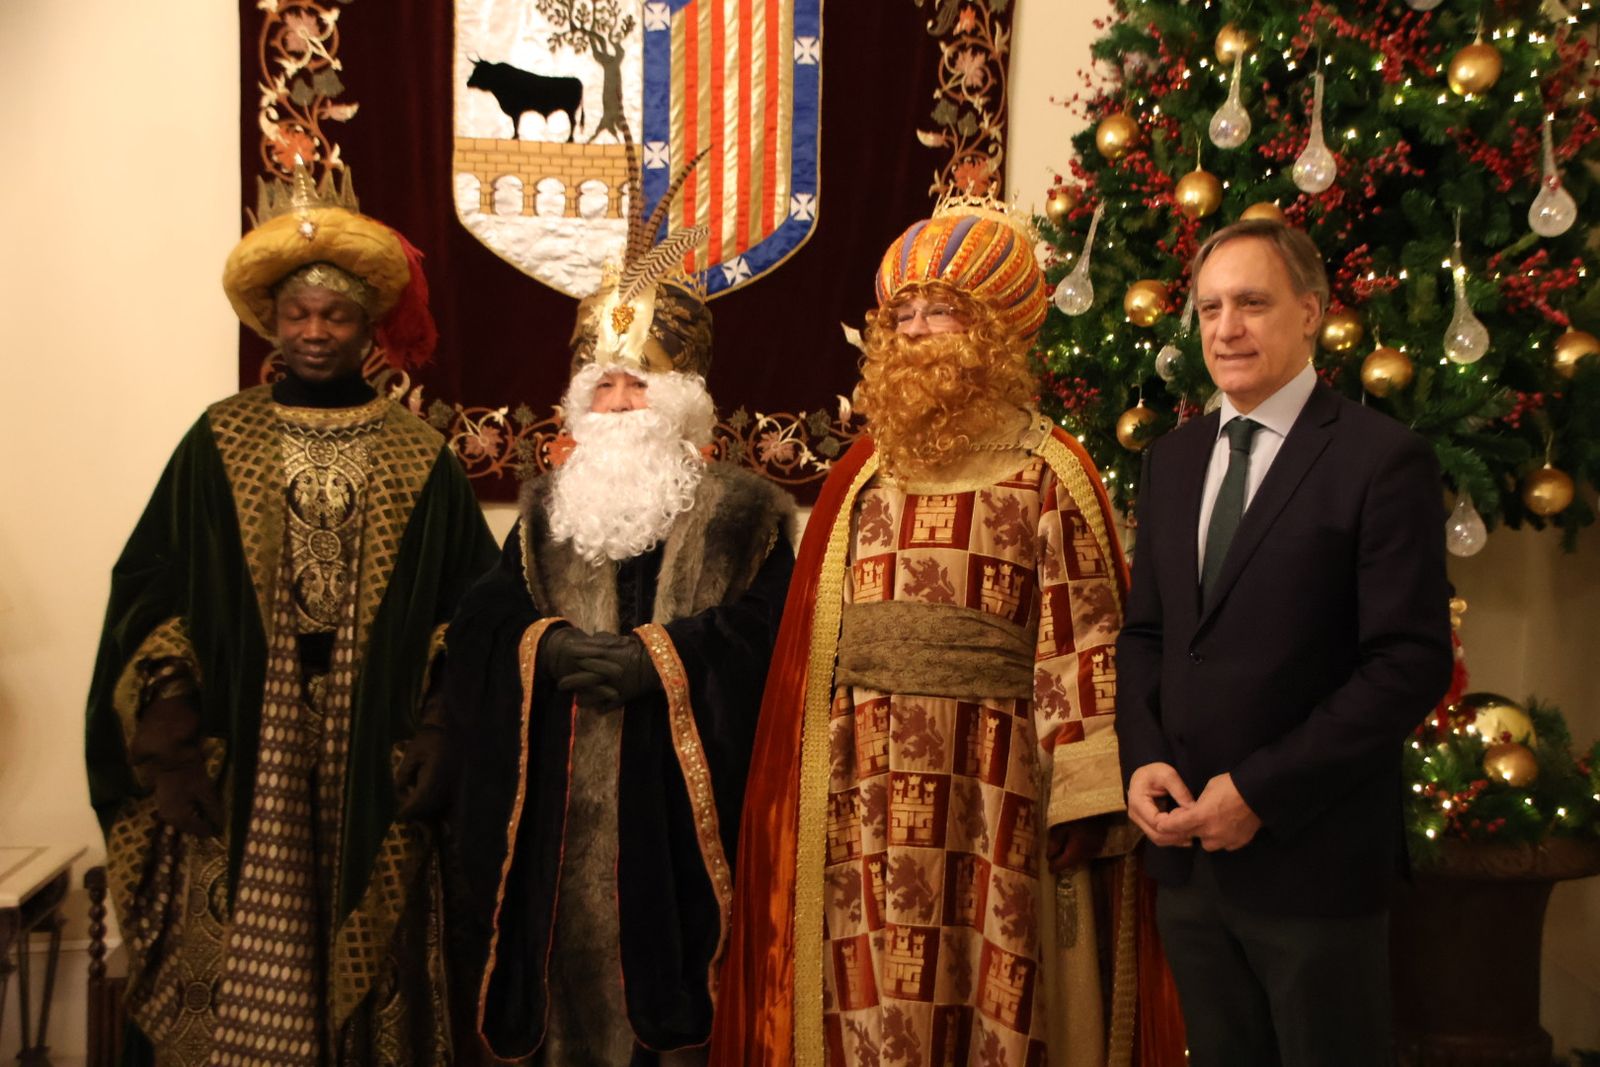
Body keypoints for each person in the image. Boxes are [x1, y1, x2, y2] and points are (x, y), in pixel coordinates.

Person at [711, 197, 1181, 1067]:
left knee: (986, 978)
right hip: (865, 774)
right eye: (905, 314)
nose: (921, 330)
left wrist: (1082, 789)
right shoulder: (863, 475)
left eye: (944, 310)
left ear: (994, 328)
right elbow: (817, 649)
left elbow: (1082, 636)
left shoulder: (1049, 467)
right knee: (863, 979)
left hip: (993, 778)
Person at [84, 164, 499, 1064]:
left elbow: (473, 613)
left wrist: (443, 729)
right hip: (247, 754)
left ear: (368, 329)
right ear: (272, 321)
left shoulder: (418, 454)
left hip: (369, 759)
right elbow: (151, 586)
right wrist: (168, 736)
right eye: (299, 314)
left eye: (336, 315)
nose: (315, 332)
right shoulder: (217, 438)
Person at [445, 198, 797, 1065]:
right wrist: (546, 647)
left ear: (681, 402)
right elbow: (487, 623)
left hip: (676, 828)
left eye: (638, 381)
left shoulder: (745, 517)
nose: (617, 400)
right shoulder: (543, 517)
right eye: (601, 383)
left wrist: (662, 662)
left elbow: (771, 641)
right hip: (557, 841)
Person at [1114, 219, 1454, 1067]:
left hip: (1314, 867)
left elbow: (1409, 664)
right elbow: (1148, 634)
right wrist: (1142, 755)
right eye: (1210, 308)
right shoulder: (1173, 460)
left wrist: (1260, 789)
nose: (1227, 328)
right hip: (1189, 864)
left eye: (1252, 303)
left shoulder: (1383, 460)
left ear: (1311, 313)